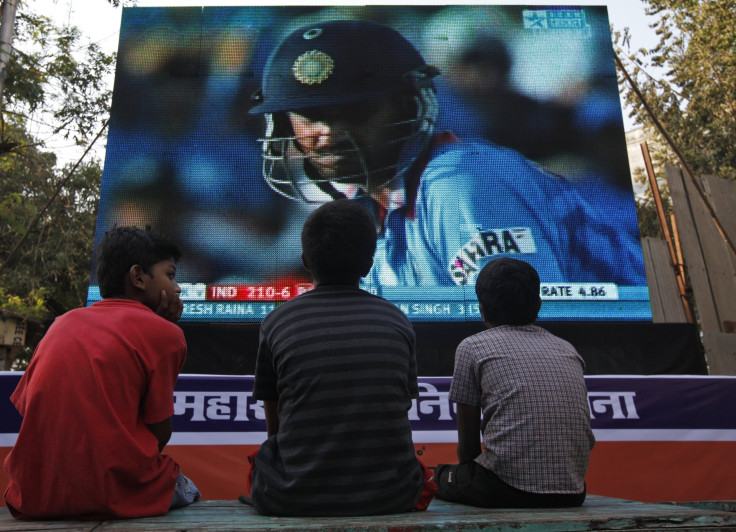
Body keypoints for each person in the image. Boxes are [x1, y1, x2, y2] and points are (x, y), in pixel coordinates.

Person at [247, 18, 646, 289]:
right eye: (310, 115)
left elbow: (528, 336)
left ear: (406, 107)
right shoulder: (372, 203)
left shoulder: (457, 186)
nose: (328, 132)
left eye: (353, 111)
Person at [241, 198, 436, 516]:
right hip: (392, 495)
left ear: (305, 260)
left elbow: (274, 431)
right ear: (368, 266)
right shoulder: (397, 320)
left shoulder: (277, 321)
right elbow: (399, 408)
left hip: (294, 497)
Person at [3, 226, 200, 519]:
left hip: (33, 495)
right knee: (189, 488)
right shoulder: (166, 335)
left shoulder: (60, 325)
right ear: (137, 277)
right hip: (112, 494)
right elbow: (160, 434)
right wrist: (162, 326)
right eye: (170, 276)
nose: (178, 288)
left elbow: (29, 410)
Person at [435, 257, 594, 508]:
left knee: (438, 476)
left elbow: (467, 451)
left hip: (503, 489)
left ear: (482, 309)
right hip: (572, 491)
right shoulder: (567, 349)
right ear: (539, 305)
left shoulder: (472, 347)